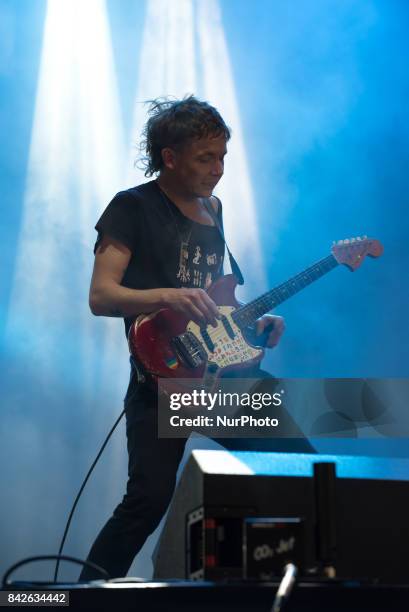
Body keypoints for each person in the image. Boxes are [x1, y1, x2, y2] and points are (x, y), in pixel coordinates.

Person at [79, 96, 308, 581]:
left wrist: (253, 328)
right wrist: (169, 296)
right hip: (161, 377)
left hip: (219, 375)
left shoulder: (214, 209)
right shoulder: (131, 207)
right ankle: (83, 597)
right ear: (170, 156)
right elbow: (101, 296)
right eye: (206, 157)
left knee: (299, 466)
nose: (219, 169)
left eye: (223, 156)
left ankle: (285, 579)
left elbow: (212, 304)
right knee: (147, 501)